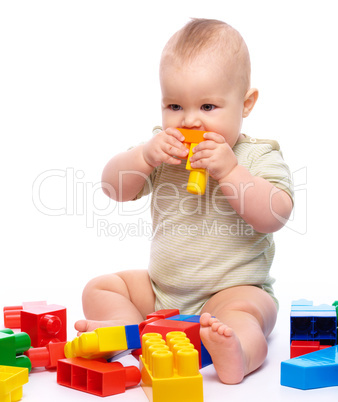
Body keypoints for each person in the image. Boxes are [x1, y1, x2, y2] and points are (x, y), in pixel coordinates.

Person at [75, 18, 294, 384]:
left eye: (208, 107)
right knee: (100, 286)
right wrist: (143, 158)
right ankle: (125, 332)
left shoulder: (256, 157)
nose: (190, 120)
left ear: (246, 103)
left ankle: (236, 351)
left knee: (248, 314)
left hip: (231, 292)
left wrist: (231, 173)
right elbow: (114, 189)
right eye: (175, 106)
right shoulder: (162, 151)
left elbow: (275, 215)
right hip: (162, 292)